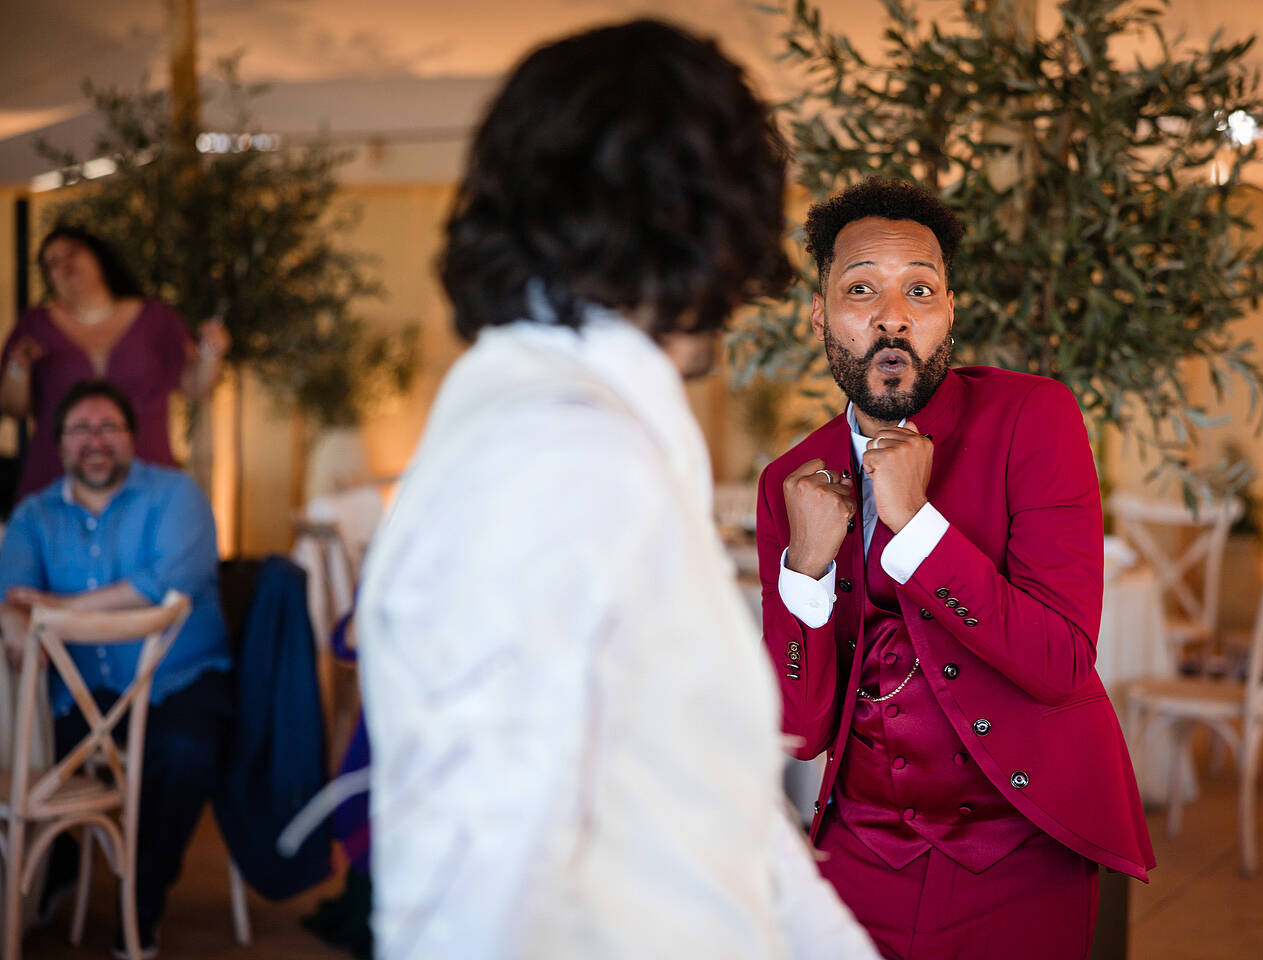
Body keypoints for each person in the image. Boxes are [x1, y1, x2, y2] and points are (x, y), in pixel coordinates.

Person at [357, 19, 877, 960]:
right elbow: (471, 892)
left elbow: (711, 810)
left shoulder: (592, 433)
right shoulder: (557, 460)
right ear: (697, 215)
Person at [755, 178, 1156, 959]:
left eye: (920, 290)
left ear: (950, 313)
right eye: (861, 288)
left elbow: (1061, 663)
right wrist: (804, 570)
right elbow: (798, 732)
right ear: (820, 315)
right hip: (861, 856)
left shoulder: (1034, 419)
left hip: (1022, 848)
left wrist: (917, 526)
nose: (892, 315)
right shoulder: (791, 482)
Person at [0, 378, 231, 959]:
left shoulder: (178, 495)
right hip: (80, 693)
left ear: (133, 437)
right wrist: (19, 628)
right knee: (33, 761)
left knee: (184, 754)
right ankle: (60, 871)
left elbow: (172, 584)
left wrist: (61, 610)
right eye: (80, 429)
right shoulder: (34, 514)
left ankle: (142, 899)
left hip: (180, 680)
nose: (95, 441)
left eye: (109, 428)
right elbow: (13, 598)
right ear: (59, 445)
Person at [0, 227, 229, 503]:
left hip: (146, 474)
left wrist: (210, 352)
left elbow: (195, 388)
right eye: (52, 263)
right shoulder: (35, 325)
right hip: (58, 480)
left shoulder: (155, 318)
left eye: (72, 253)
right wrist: (18, 368)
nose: (64, 265)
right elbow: (13, 409)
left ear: (98, 256)